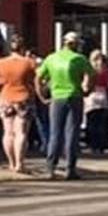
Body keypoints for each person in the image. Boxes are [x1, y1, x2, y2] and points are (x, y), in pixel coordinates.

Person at [36, 31, 93, 180]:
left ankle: (51, 168)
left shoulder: (51, 58)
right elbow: (91, 76)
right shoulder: (79, 59)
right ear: (76, 44)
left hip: (57, 98)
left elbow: (38, 77)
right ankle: (70, 169)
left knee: (55, 133)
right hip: (74, 96)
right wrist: (87, 91)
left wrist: (42, 96)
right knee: (72, 134)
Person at [0, 34, 37, 173]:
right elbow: (39, 78)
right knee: (21, 133)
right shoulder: (29, 62)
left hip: (6, 98)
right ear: (23, 47)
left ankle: (11, 163)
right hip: (24, 98)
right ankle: (20, 164)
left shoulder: (0, 63)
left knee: (8, 133)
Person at [84, 50, 108, 155]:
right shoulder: (106, 71)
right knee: (101, 123)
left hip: (92, 96)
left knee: (91, 122)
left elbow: (86, 84)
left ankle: (93, 145)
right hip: (103, 95)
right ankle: (101, 146)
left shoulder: (89, 70)